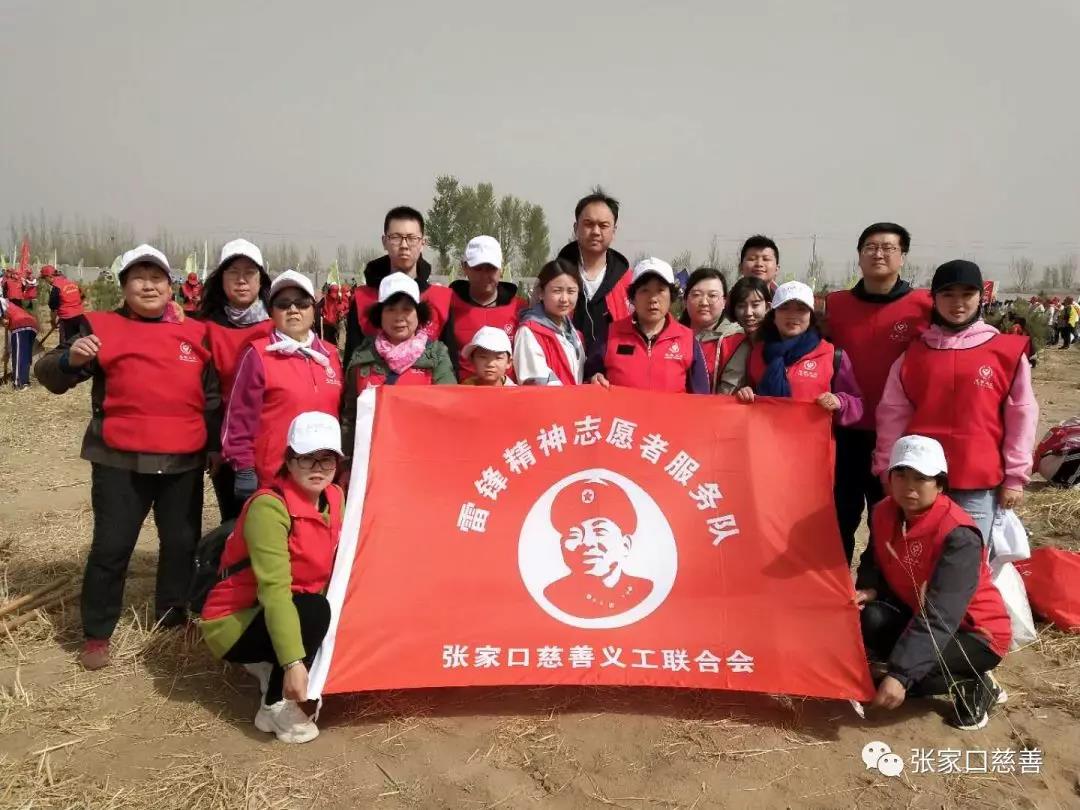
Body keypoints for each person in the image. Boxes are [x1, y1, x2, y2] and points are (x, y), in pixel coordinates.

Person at [34, 244, 220, 670]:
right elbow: (50, 375)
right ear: (124, 287)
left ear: (171, 287)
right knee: (112, 546)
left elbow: (211, 397)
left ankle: (173, 618)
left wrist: (213, 447)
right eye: (139, 278)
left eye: (157, 278)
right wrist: (70, 359)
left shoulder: (197, 333)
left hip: (183, 461)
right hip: (119, 459)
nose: (148, 286)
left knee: (180, 543)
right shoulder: (101, 327)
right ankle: (97, 633)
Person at [200, 411, 344, 744]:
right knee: (314, 611)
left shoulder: (335, 498)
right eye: (307, 458)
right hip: (236, 619)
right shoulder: (269, 508)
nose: (318, 468)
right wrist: (293, 663)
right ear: (289, 460)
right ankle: (275, 706)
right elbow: (275, 592)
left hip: (288, 605)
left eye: (327, 459)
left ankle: (268, 661)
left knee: (320, 607)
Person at [874, 260, 1038, 543]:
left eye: (967, 294)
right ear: (934, 299)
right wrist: (886, 469)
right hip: (919, 481)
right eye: (948, 294)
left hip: (977, 482)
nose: (957, 303)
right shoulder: (913, 355)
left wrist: (1015, 477)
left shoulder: (1006, 353)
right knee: (918, 556)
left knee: (969, 558)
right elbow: (892, 417)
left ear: (981, 297)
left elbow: (1021, 417)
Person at [856, 435, 1010, 730]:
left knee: (903, 679)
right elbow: (874, 559)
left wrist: (901, 674)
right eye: (901, 475)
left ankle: (977, 681)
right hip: (918, 611)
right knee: (870, 618)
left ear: (940, 485)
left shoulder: (958, 535)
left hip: (973, 633)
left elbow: (942, 614)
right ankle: (914, 669)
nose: (909, 486)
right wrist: (871, 588)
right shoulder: (884, 511)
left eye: (921, 478)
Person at [825, 222, 932, 564]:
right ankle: (835, 584)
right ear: (859, 256)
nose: (879, 254)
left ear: (903, 256)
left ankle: (876, 585)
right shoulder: (836, 304)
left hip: (899, 434)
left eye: (888, 248)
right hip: (844, 430)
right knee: (838, 515)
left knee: (888, 515)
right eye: (870, 247)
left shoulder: (923, 305)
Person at [223, 269, 343, 496]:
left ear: (313, 308)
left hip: (322, 479)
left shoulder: (331, 355)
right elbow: (239, 417)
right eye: (283, 304)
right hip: (273, 479)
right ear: (272, 312)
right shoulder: (258, 354)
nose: (293, 309)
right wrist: (244, 468)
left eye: (302, 303)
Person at [198, 239, 275, 521]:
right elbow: (207, 392)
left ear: (261, 280)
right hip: (228, 440)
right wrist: (213, 445)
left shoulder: (277, 325)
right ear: (221, 279)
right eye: (233, 272)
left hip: (271, 436)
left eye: (249, 273)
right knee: (234, 519)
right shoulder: (205, 328)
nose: (241, 280)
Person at [343, 206, 452, 363]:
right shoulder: (362, 299)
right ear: (384, 241)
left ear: (423, 243)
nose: (404, 245)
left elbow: (451, 364)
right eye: (396, 237)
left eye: (412, 238)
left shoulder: (443, 299)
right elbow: (351, 363)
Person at [587, 258, 709, 394]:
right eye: (645, 290)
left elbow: (702, 398)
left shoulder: (688, 340)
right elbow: (586, 379)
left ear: (672, 296)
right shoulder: (610, 335)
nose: (653, 299)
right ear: (633, 297)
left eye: (660, 290)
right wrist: (593, 378)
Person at [544, 478, 653, 618]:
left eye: (600, 532)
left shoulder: (645, 592)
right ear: (562, 545)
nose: (587, 542)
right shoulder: (554, 596)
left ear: (625, 545)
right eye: (575, 535)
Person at [556, 188, 631, 354]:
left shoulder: (628, 281)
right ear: (576, 228)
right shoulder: (553, 277)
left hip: (611, 367)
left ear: (614, 231)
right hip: (564, 365)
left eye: (603, 226)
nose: (596, 231)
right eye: (589, 224)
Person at [443, 236, 526, 381]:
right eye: (478, 268)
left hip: (507, 390)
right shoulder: (447, 305)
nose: (484, 275)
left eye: (491, 268)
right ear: (465, 267)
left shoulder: (520, 308)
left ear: (501, 268)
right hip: (462, 390)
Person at [513, 259, 586, 386]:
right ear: (541, 293)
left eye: (571, 291)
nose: (564, 299)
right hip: (551, 399)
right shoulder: (529, 333)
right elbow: (536, 382)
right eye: (557, 291)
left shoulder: (574, 334)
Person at [680, 267, 740, 392]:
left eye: (712, 296)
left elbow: (729, 392)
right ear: (685, 300)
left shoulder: (735, 340)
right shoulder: (670, 337)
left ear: (724, 302)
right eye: (696, 295)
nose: (704, 302)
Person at [713, 277, 772, 395]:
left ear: (767, 307)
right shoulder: (726, 342)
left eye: (755, 305)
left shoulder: (777, 343)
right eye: (741, 306)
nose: (748, 313)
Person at [39, 265, 88, 344]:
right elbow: (83, 295)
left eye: (45, 278)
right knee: (79, 342)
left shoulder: (56, 288)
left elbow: (54, 309)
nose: (45, 281)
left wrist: (53, 322)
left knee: (66, 345)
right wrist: (75, 306)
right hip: (80, 317)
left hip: (67, 320)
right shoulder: (70, 282)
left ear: (49, 277)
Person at [0, 297, 39, 390]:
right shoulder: (8, 304)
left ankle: (18, 384)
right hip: (31, 324)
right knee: (25, 355)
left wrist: (2, 319)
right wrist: (7, 351)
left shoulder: (2, 303)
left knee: (18, 356)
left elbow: (5, 319)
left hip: (20, 324)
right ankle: (25, 383)